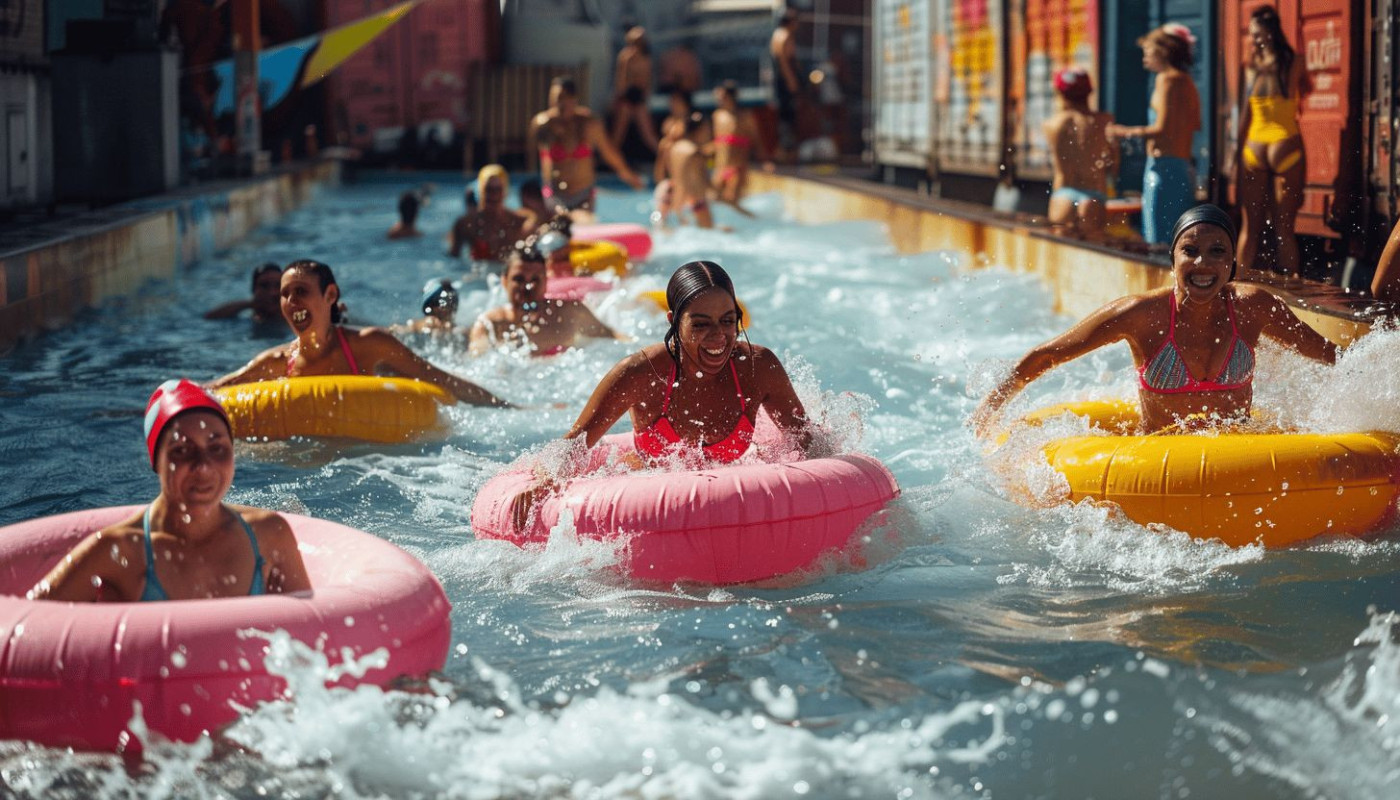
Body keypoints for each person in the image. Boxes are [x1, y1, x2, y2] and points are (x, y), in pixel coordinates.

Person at [971, 205, 1337, 436]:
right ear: (1172, 259)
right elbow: (1049, 354)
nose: (1203, 265)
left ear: (1232, 264)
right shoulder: (1142, 315)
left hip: (1235, 464)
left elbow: (1331, 356)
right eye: (1189, 252)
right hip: (1160, 465)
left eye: (1217, 253)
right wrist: (991, 407)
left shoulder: (1253, 307)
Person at [508, 260, 810, 528]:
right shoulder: (641, 373)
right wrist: (544, 482)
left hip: (735, 512)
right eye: (701, 324)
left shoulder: (757, 369)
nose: (719, 336)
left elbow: (806, 440)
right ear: (673, 321)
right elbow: (576, 441)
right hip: (653, 515)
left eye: (728, 321)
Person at [30, 379, 312, 602]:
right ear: (156, 461)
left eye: (217, 448)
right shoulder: (118, 550)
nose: (203, 466)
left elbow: (313, 636)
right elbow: (26, 623)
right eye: (182, 450)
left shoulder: (269, 535)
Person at [211, 259, 511, 407]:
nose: (291, 303)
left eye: (301, 291)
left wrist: (511, 407)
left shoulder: (369, 346)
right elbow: (220, 388)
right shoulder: (277, 361)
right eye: (285, 294)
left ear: (330, 295)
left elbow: (441, 379)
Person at [1107, 24, 1201, 246]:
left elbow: (1161, 129)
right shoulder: (1187, 83)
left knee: (1157, 243)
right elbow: (1195, 125)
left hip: (1162, 169)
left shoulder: (1166, 80)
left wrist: (1124, 132)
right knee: (1178, 242)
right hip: (1182, 168)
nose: (1144, 57)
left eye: (1148, 51)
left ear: (1164, 51)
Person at [1234, 5, 1309, 277]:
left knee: (1249, 229)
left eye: (1257, 35)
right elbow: (1306, 90)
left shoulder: (1251, 67)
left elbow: (1244, 114)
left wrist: (1234, 156)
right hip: (1284, 142)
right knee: (1284, 229)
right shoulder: (1295, 62)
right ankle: (1293, 287)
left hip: (1253, 146)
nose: (1254, 40)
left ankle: (1238, 283)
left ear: (1269, 34)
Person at [468, 245, 625, 357]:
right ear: (504, 281)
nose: (528, 286)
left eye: (536, 279)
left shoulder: (569, 313)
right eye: (519, 279)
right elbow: (476, 363)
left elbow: (616, 341)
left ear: (546, 282)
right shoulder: (490, 325)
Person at [528, 76, 645, 222]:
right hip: (554, 194)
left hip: (583, 195)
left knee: (583, 226)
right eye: (556, 99)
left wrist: (628, 175)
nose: (560, 104)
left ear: (574, 100)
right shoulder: (543, 125)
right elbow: (532, 159)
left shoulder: (589, 124)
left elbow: (608, 153)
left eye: (564, 98)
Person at [1043, 68, 1116, 241]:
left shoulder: (1052, 124)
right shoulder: (1104, 121)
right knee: (1093, 252)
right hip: (1093, 195)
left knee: (1060, 252)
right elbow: (1113, 165)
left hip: (1063, 194)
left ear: (1060, 93)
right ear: (1089, 91)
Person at [711, 81, 773, 208]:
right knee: (714, 201)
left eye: (722, 96)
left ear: (731, 97)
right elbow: (717, 144)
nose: (719, 99)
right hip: (720, 167)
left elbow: (756, 140)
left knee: (733, 203)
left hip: (737, 168)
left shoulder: (744, 117)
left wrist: (765, 160)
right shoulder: (717, 116)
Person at [449, 165, 529, 261]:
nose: (494, 195)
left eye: (498, 190)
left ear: (505, 192)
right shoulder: (465, 224)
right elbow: (452, 260)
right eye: (489, 190)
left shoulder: (519, 221)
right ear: (481, 191)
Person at [610, 26, 660, 153]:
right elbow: (621, 80)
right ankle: (610, 160)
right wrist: (619, 99)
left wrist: (645, 98)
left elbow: (647, 81)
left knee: (647, 133)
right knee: (618, 133)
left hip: (639, 97)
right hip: (627, 97)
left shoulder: (646, 58)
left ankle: (662, 155)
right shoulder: (626, 57)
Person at [663, 112, 716, 229]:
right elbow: (705, 181)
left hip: (673, 200)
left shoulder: (675, 147)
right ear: (700, 131)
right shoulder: (695, 154)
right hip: (695, 201)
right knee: (709, 233)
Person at [770, 8, 805, 163]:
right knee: (788, 116)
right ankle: (785, 150)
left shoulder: (779, 34)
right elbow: (784, 62)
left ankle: (786, 149)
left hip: (782, 80)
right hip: (785, 81)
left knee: (786, 115)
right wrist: (792, 81)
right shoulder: (784, 36)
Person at [204, 263, 283, 322]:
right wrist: (250, 304)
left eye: (278, 285)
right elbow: (209, 318)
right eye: (264, 286)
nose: (272, 292)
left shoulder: (291, 321)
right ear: (254, 289)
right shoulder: (247, 322)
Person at [654, 88, 696, 185]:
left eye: (675, 100)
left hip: (689, 162)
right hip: (670, 164)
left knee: (668, 145)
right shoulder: (668, 122)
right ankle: (662, 181)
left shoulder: (693, 121)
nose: (672, 103)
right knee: (665, 145)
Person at [393, 278, 461, 337]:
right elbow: (396, 330)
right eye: (438, 302)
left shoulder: (457, 330)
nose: (444, 308)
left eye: (450, 303)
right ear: (430, 305)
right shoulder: (416, 326)